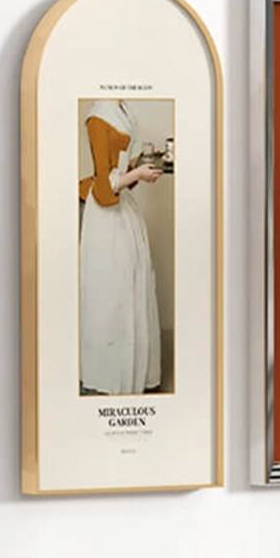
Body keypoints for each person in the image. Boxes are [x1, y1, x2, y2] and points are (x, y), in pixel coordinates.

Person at [78, 99, 164, 395]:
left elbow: (121, 175)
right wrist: (138, 174)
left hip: (125, 210)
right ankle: (107, 376)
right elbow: (104, 185)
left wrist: (142, 167)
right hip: (105, 216)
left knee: (132, 285)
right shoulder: (98, 117)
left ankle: (132, 372)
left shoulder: (124, 109)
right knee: (111, 290)